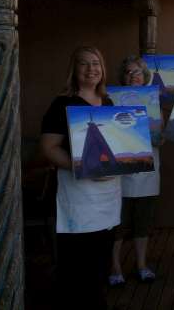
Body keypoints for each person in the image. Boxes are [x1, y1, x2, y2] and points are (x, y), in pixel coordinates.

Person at [39, 46, 121, 310]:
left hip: (107, 199)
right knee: (77, 269)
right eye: (84, 64)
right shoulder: (61, 104)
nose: (91, 69)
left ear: (103, 68)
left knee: (100, 264)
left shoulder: (108, 104)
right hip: (78, 200)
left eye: (95, 63)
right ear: (74, 70)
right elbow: (49, 148)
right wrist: (81, 168)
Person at [109, 55, 159, 286]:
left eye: (137, 72)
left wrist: (155, 131)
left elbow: (161, 137)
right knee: (118, 222)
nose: (133, 77)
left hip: (147, 170)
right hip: (120, 169)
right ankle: (115, 266)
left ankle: (141, 264)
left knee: (142, 221)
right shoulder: (111, 98)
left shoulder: (152, 99)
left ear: (144, 76)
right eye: (128, 73)